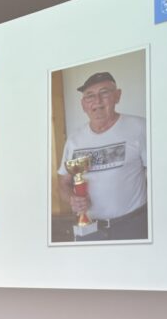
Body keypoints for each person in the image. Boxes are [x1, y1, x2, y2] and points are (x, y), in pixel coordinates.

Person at [57, 71, 148, 241]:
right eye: (90, 96)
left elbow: (161, 176)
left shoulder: (140, 128)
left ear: (117, 96)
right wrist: (72, 198)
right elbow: (63, 183)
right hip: (89, 230)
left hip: (133, 226)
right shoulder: (74, 140)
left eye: (104, 93)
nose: (97, 101)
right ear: (83, 104)